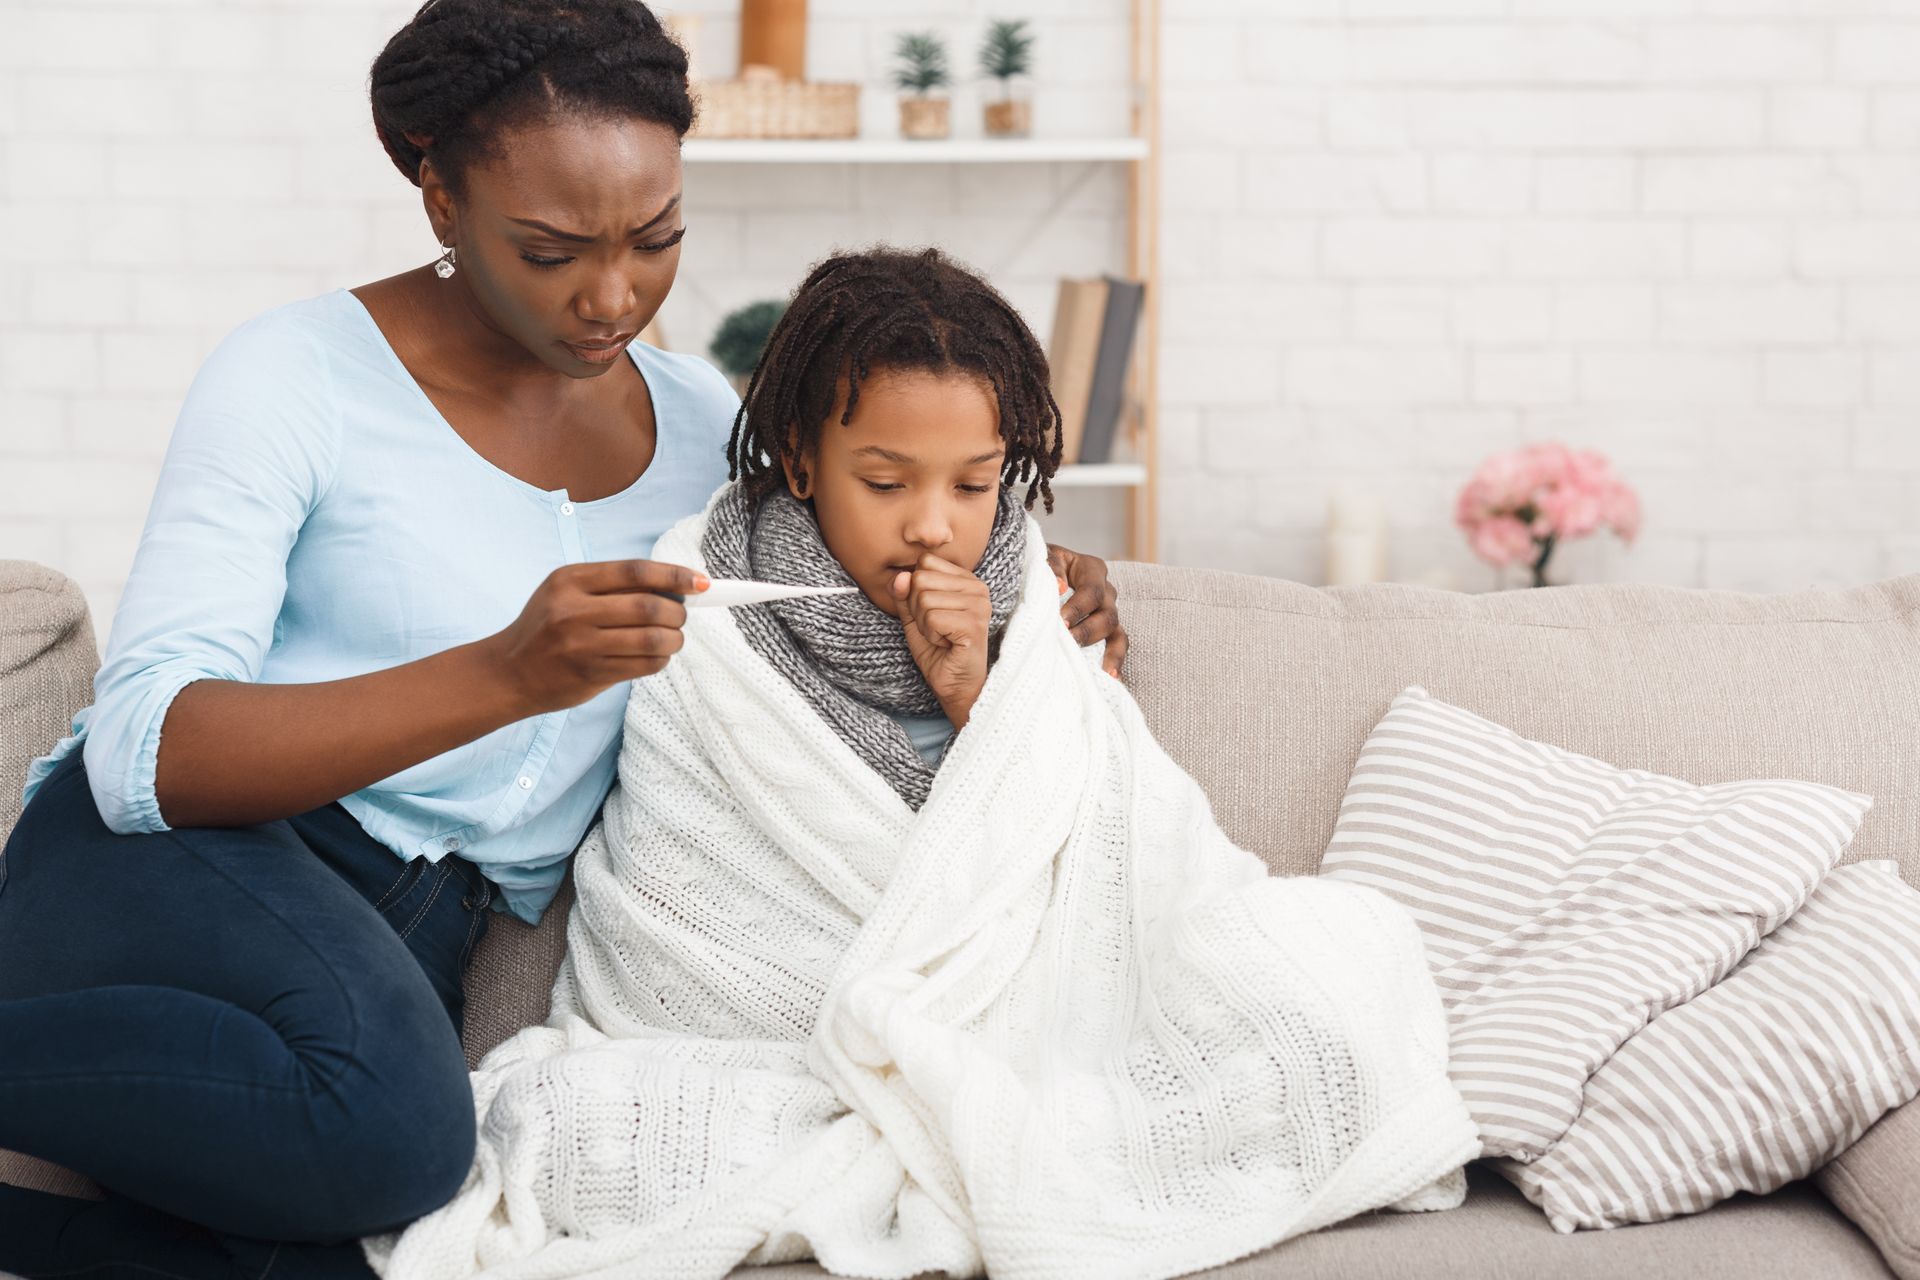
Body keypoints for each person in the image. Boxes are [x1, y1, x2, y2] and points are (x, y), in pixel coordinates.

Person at [0, 3, 1125, 1277]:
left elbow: (860, 567)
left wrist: (1042, 592)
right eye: (550, 251)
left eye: (658, 238)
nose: (613, 295)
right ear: (441, 199)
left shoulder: (705, 425)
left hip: (416, 932)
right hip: (182, 868)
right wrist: (506, 672)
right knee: (400, 1137)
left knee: (415, 1243)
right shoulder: (295, 375)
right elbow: (143, 754)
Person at [366, 245, 1474, 1280]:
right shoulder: (708, 606)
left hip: (1026, 1011)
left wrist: (977, 693)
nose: (935, 527)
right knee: (591, 1122)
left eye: (972, 484)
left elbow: (1102, 837)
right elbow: (690, 873)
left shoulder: (1038, 602)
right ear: (803, 460)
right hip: (772, 1031)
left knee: (1334, 970)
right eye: (887, 483)